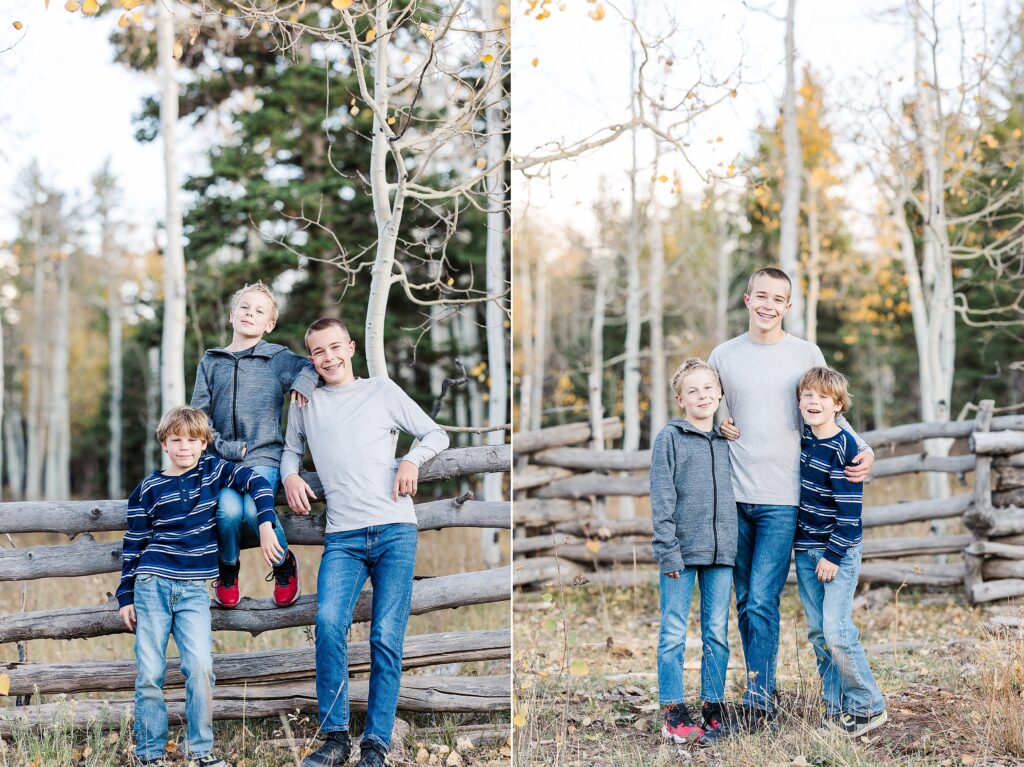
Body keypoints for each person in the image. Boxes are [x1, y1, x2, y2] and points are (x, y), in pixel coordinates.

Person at [707, 267, 875, 728]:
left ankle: (759, 703)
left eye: (777, 299)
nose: (768, 305)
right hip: (735, 495)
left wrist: (864, 448)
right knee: (745, 599)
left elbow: (828, 404)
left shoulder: (805, 352)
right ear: (746, 299)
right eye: (760, 296)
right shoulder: (724, 355)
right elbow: (706, 405)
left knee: (762, 597)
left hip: (785, 498)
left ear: (788, 306)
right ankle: (764, 691)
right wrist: (720, 424)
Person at [280, 318, 450, 767]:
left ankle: (376, 742)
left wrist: (411, 459)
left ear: (351, 347)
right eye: (318, 351)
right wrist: (290, 473)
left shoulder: (382, 391)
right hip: (344, 536)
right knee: (330, 623)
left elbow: (436, 432)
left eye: (335, 347)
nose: (328, 357)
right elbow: (291, 450)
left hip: (395, 530)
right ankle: (336, 738)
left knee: (385, 637)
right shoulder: (305, 399)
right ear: (310, 357)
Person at [116, 406, 277, 766]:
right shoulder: (147, 488)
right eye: (176, 440)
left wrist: (265, 523)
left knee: (200, 666)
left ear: (205, 444)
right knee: (150, 673)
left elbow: (257, 482)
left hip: (193, 591)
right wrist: (125, 596)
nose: (184, 447)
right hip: (152, 584)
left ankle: (201, 750)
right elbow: (134, 544)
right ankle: (149, 754)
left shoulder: (213, 471)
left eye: (192, 440)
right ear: (164, 443)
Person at [191, 280, 318, 608]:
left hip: (264, 454)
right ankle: (228, 568)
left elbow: (311, 367)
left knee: (251, 510)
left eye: (259, 311)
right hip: (223, 459)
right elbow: (198, 417)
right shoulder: (211, 361)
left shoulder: (276, 358)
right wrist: (222, 447)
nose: (250, 314)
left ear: (269, 324)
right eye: (245, 308)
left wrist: (301, 385)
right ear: (232, 315)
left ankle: (283, 565)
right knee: (228, 511)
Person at [794, 366, 887, 736]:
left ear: (838, 405)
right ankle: (834, 709)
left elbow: (850, 516)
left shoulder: (845, 447)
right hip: (805, 551)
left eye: (823, 397)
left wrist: (833, 556)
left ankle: (868, 706)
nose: (813, 402)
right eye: (807, 395)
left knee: (837, 630)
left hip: (838, 552)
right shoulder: (804, 439)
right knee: (818, 633)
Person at [650, 358, 737, 745]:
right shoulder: (670, 438)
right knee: (673, 632)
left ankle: (713, 706)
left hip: (722, 553)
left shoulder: (727, 438)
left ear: (720, 393)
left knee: (716, 631)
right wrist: (668, 550)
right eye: (693, 390)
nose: (702, 395)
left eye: (708, 388)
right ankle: (673, 710)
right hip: (680, 554)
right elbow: (662, 498)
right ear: (680, 399)